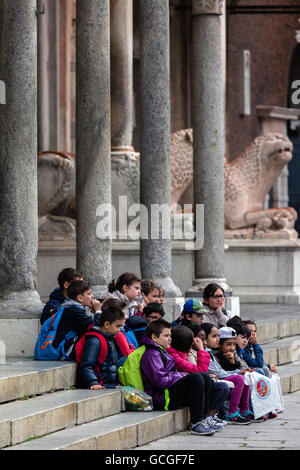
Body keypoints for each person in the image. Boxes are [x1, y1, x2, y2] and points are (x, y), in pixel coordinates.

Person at [140, 319, 229, 435]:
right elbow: (160, 381)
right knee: (196, 378)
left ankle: (206, 418)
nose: (170, 339)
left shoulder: (160, 351)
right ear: (154, 337)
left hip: (168, 393)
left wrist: (180, 375)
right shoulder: (152, 354)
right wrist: (180, 375)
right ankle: (197, 422)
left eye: (170, 335)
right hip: (163, 398)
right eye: (166, 336)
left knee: (204, 377)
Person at [201, 322, 253, 424]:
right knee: (239, 378)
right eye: (214, 336)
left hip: (221, 377)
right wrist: (237, 373)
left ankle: (244, 409)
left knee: (245, 376)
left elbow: (238, 366)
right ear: (205, 340)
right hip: (215, 380)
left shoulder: (210, 352)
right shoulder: (208, 354)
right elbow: (219, 373)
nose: (217, 339)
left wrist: (238, 370)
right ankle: (232, 412)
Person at [47, 280, 101, 360]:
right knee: (98, 338)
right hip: (65, 351)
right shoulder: (74, 311)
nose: (92, 296)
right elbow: (98, 328)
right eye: (89, 294)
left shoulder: (72, 308)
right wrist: (98, 311)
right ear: (80, 298)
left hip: (68, 347)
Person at [76, 305, 125, 390]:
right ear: (107, 324)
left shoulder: (109, 338)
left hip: (108, 384)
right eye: (118, 326)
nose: (120, 330)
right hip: (100, 384)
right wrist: (93, 382)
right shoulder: (94, 341)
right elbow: (86, 364)